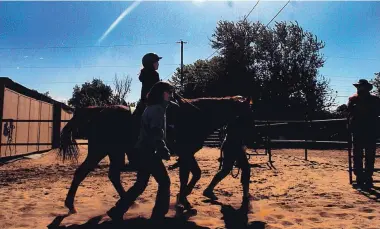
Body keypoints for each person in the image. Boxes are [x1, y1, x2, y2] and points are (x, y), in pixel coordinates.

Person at [108, 81, 173, 222]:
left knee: (140, 184)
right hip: (149, 152)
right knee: (164, 182)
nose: (171, 95)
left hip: (142, 150)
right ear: (162, 93)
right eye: (169, 92)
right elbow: (156, 131)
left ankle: (118, 210)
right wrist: (163, 148)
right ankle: (159, 214)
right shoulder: (157, 110)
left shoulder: (150, 108)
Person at [203, 115, 251, 203]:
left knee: (226, 169)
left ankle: (209, 189)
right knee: (245, 168)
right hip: (235, 145)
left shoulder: (233, 117)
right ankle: (246, 195)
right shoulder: (240, 118)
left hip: (230, 145)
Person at [347, 79, 380, 188]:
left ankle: (367, 177)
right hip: (358, 130)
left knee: (369, 155)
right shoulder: (353, 99)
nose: (359, 89)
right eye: (358, 87)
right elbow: (349, 112)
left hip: (370, 130)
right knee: (358, 155)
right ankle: (360, 177)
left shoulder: (375, 100)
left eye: (361, 87)